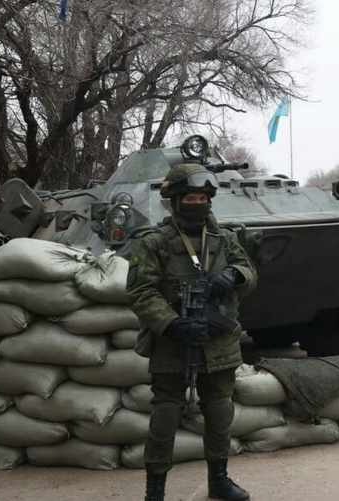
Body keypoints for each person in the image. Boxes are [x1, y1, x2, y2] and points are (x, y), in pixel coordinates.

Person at [126, 163, 257, 501]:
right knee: (166, 413)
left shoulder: (223, 238)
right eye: (191, 197)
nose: (198, 203)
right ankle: (155, 491)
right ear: (175, 199)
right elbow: (141, 291)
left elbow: (249, 271)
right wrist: (171, 323)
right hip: (173, 341)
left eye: (203, 196)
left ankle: (219, 480)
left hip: (219, 339)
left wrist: (234, 276)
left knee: (219, 410)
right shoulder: (153, 242)